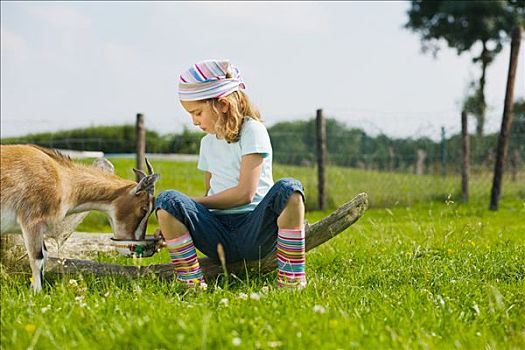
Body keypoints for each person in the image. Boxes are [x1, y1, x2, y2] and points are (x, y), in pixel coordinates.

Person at [155, 59, 306, 289]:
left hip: (254, 230)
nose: (194, 122)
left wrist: (193, 203)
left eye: (197, 113)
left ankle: (291, 281)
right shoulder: (207, 143)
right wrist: (175, 218)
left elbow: (245, 194)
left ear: (222, 104)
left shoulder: (252, 131)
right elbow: (210, 195)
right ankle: (191, 284)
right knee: (166, 201)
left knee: (289, 189)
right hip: (218, 235)